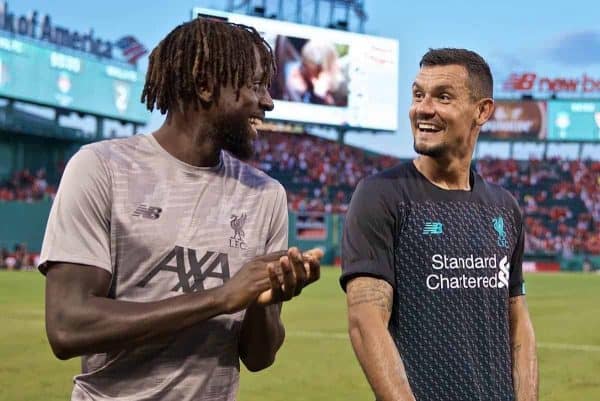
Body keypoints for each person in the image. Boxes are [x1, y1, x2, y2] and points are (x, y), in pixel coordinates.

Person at [39, 18, 322, 401]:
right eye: (255, 85)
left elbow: (259, 356)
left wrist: (265, 301)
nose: (268, 101)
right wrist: (221, 297)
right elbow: (67, 326)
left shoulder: (266, 195)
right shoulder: (101, 168)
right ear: (205, 86)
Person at [340, 48, 538, 401]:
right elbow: (365, 322)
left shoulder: (505, 208)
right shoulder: (381, 195)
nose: (423, 109)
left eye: (443, 97)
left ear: (482, 111)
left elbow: (517, 320)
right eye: (418, 95)